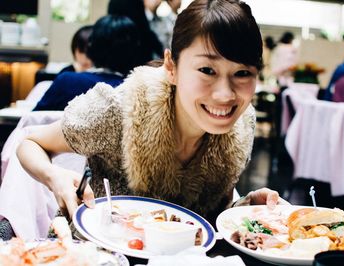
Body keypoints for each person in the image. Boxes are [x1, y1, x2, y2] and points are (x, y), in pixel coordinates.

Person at [17, 0, 282, 225]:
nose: (225, 94)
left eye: (243, 73)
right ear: (171, 67)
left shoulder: (240, 127)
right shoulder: (121, 109)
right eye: (207, 70)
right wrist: (55, 177)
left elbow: (208, 218)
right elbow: (30, 143)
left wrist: (244, 209)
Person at [32, 15, 143, 111]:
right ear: (135, 51)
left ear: (91, 48)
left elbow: (34, 120)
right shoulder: (138, 92)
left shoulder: (67, 81)